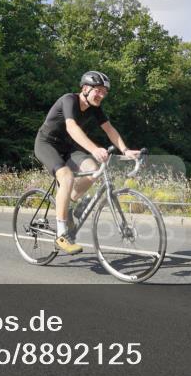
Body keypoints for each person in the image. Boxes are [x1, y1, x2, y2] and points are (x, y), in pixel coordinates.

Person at [33, 71, 140, 254]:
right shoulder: (69, 100)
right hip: (46, 144)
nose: (101, 95)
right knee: (66, 177)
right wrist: (94, 149)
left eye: (104, 93)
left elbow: (109, 129)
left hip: (67, 148)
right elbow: (72, 127)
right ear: (85, 88)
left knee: (94, 169)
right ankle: (61, 235)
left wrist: (125, 150)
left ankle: (69, 203)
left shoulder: (95, 108)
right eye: (98, 91)